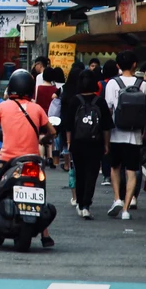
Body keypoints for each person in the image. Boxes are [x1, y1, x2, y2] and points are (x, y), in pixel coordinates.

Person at [0, 69, 58, 247]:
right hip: (33, 161)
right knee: (39, 196)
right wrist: (43, 138)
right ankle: (45, 235)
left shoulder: (3, 106)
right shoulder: (37, 108)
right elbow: (52, 132)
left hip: (7, 160)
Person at [103, 50, 146, 220]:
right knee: (132, 171)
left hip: (115, 133)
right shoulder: (143, 85)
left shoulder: (112, 83)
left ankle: (117, 198)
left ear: (118, 65)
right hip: (135, 135)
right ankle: (126, 208)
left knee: (115, 168)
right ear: (135, 65)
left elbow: (108, 109)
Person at [64, 70, 112, 219]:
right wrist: (106, 144)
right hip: (95, 142)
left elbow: (68, 126)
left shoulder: (74, 101)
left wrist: (69, 142)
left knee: (80, 173)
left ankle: (79, 203)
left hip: (77, 143)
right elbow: (106, 126)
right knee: (92, 174)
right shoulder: (100, 102)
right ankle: (86, 205)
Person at [99, 59, 120, 186]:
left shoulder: (101, 84)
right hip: (119, 120)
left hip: (103, 120)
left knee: (105, 148)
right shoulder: (119, 82)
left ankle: (107, 175)